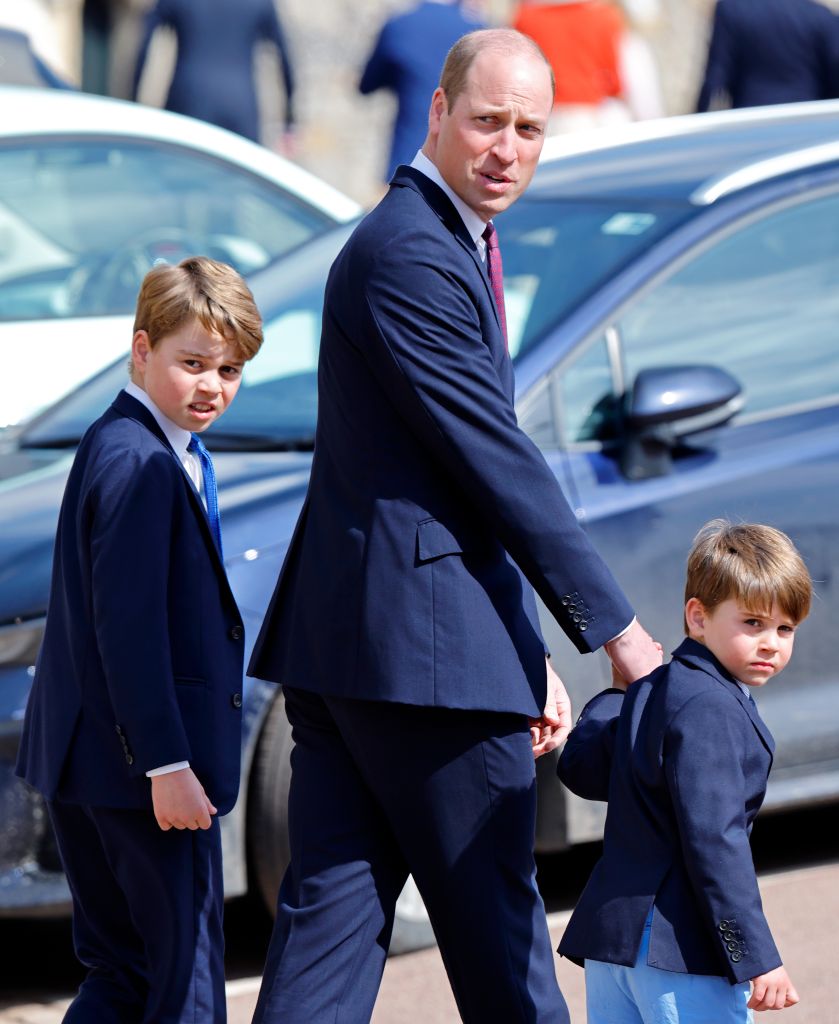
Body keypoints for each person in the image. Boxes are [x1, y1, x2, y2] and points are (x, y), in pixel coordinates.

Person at [247, 27, 661, 1023]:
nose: (506, 147)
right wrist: (616, 629)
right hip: (420, 670)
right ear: (435, 114)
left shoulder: (439, 240)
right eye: (485, 121)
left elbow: (444, 481)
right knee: (503, 952)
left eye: (528, 128)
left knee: (324, 953)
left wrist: (521, 651)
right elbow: (493, 458)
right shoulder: (410, 254)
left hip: (368, 657)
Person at [16, 257, 264, 1023]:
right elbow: (126, 628)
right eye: (191, 363)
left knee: (123, 975)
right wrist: (167, 763)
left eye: (228, 370)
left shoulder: (125, 442)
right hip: (145, 773)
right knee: (182, 980)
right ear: (140, 349)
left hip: (89, 762)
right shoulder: (141, 463)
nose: (210, 387)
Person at [557, 519, 812, 1023]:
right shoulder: (711, 707)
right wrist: (757, 959)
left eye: (786, 629)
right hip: (679, 948)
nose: (771, 644)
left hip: (615, 948)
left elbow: (582, 767)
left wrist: (617, 694)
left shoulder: (656, 688)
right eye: (753, 623)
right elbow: (715, 841)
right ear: (697, 618)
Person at [131, 0, 296, 147]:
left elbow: (145, 43)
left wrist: (134, 104)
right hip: (241, 108)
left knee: (179, 173)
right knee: (240, 177)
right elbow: (283, 53)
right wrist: (289, 119)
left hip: (188, 101)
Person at [358, 0, 484, 182]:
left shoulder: (400, 24)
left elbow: (367, 84)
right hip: (462, 167)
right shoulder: (476, 32)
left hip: (408, 162)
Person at [696, 0, 839, 113]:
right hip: (807, 121)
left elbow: (715, 78)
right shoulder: (823, 17)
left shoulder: (731, 9)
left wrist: (699, 122)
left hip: (750, 120)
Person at [512, 0, 630, 133]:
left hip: (541, 114)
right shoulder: (604, 14)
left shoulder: (524, 16)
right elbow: (619, 76)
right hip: (589, 111)